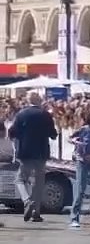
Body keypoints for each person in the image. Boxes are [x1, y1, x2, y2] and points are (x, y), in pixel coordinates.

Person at [8, 91, 58, 222]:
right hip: (41, 153)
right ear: (40, 101)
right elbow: (53, 134)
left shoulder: (21, 114)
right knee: (39, 183)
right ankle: (36, 212)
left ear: (28, 100)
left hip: (25, 152)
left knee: (20, 179)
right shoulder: (45, 114)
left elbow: (12, 132)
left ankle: (27, 200)